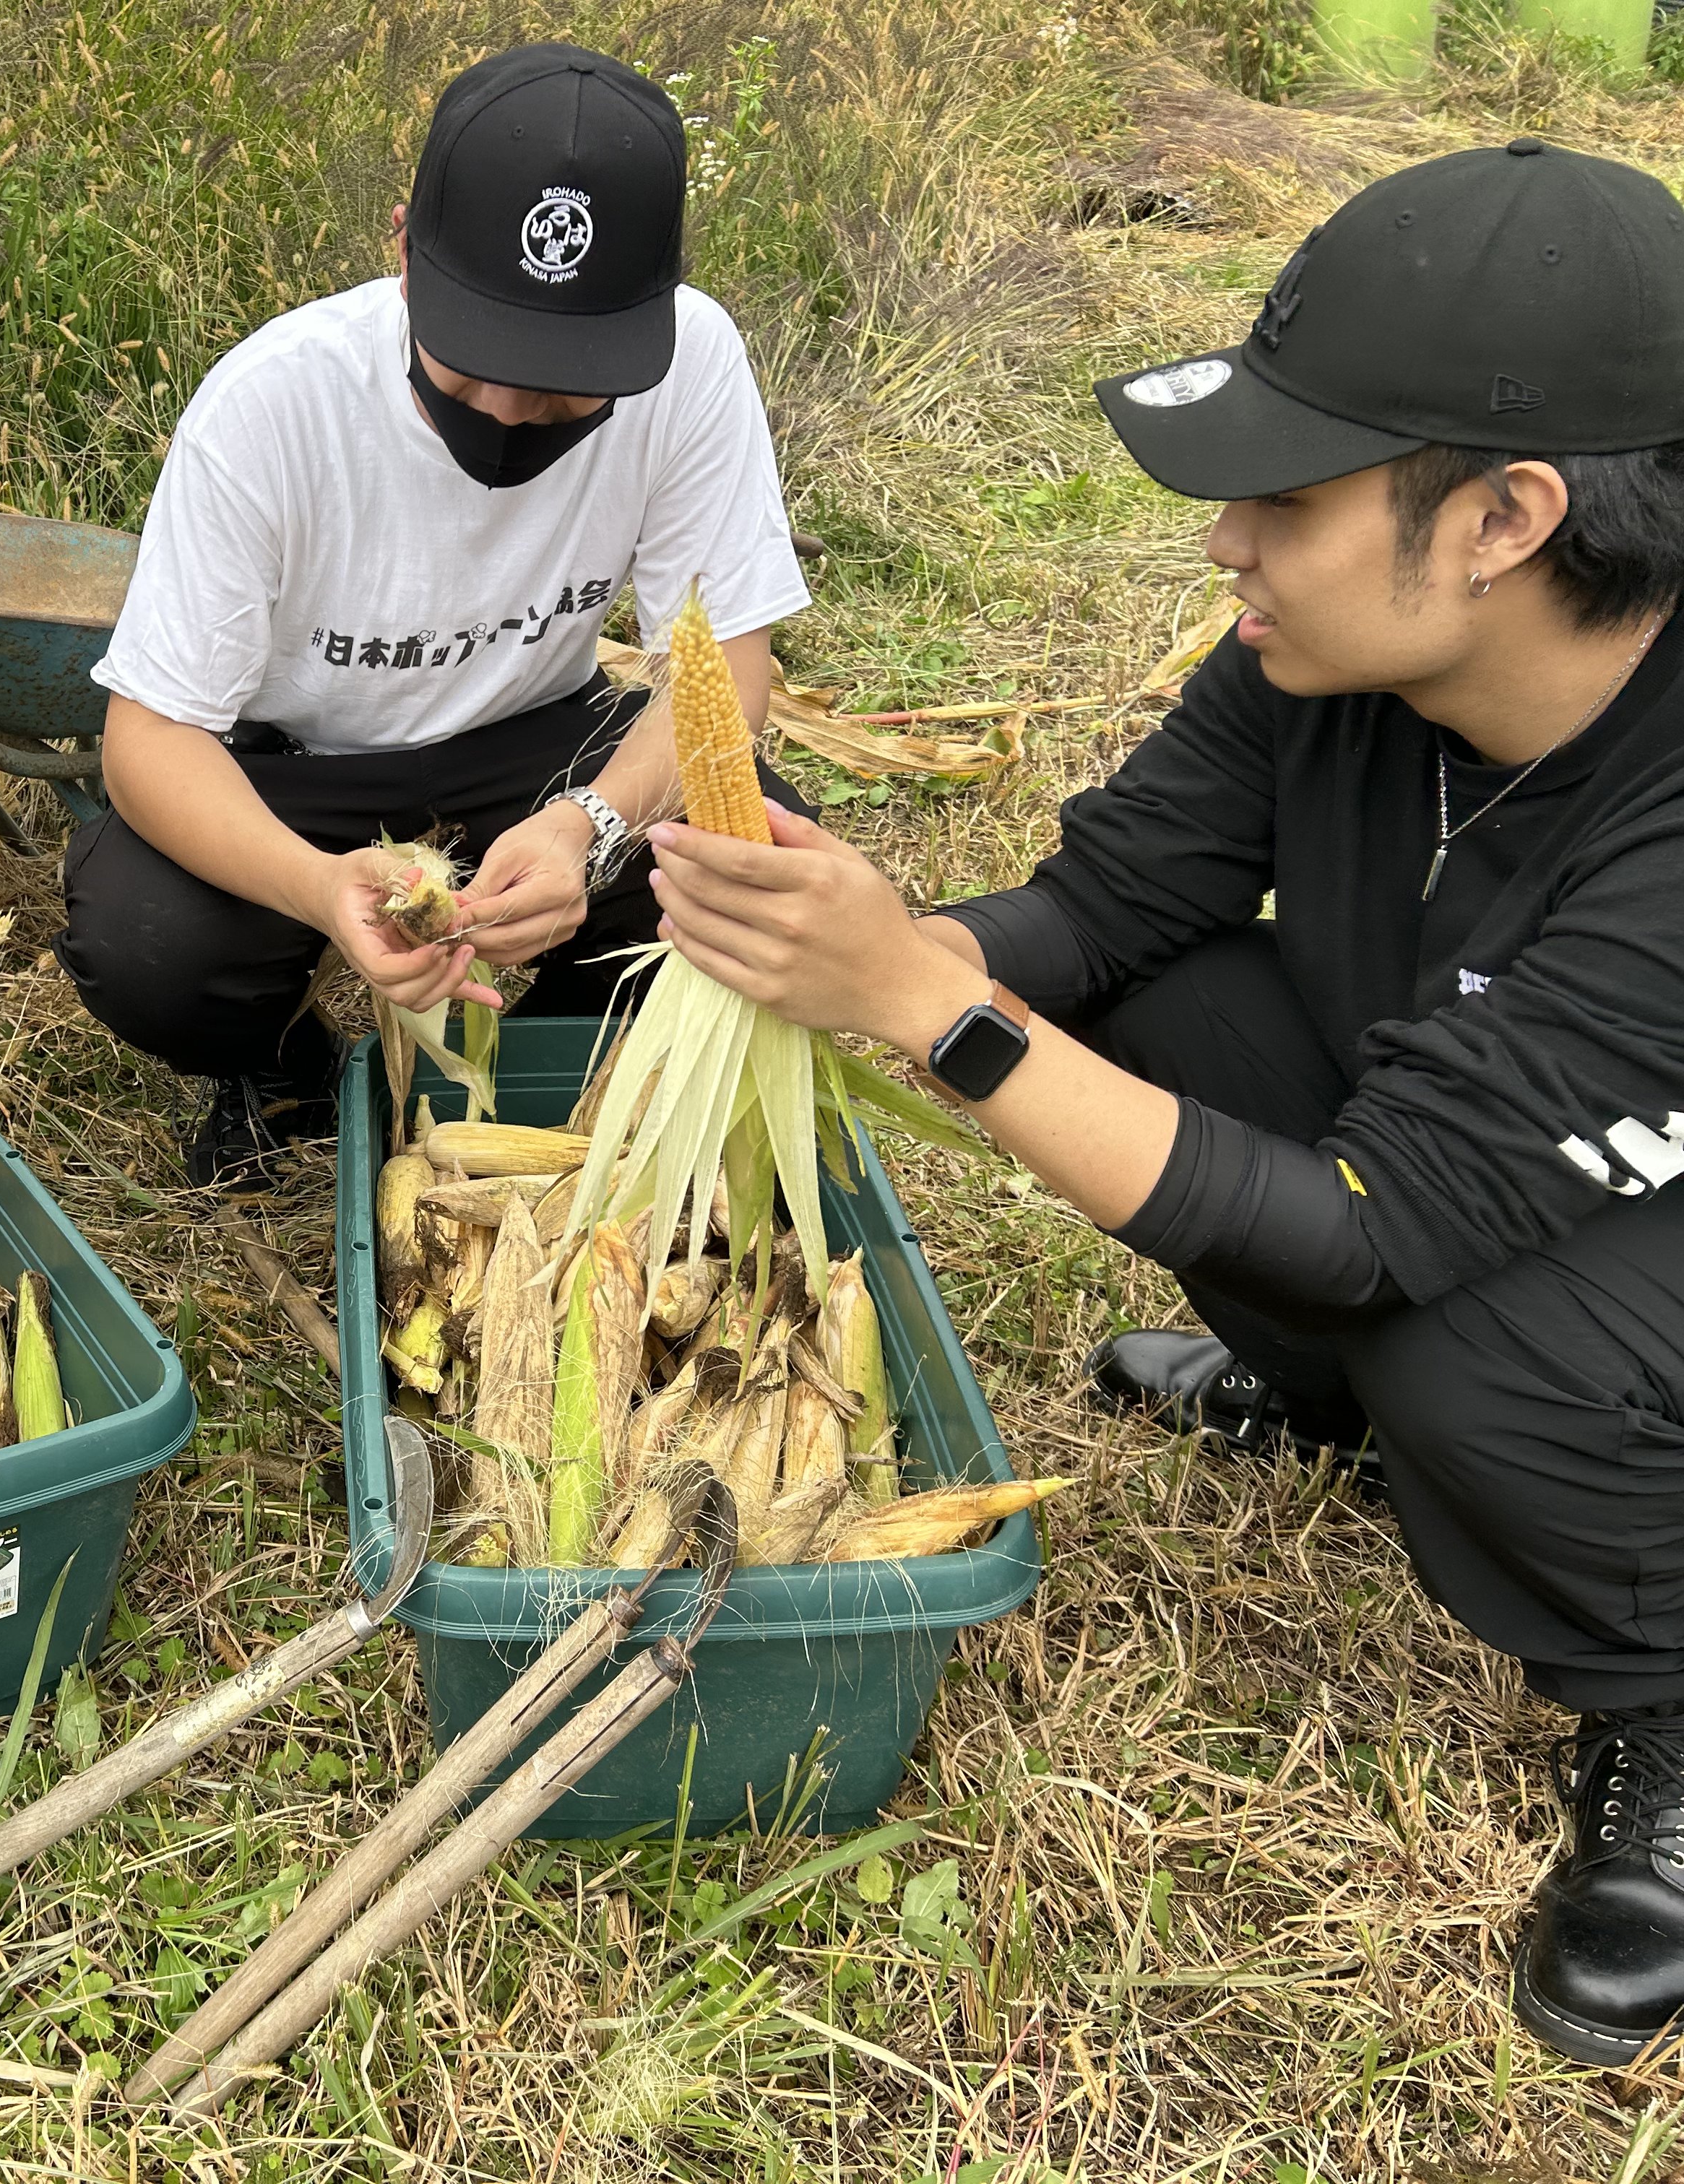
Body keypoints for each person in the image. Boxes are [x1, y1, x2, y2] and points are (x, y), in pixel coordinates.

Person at [642, 139, 1684, 2066]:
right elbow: (1103, 910)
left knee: (1452, 1341)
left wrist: (919, 1010)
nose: (1230, 544)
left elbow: (1377, 1224)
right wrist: (849, 942)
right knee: (1178, 1004)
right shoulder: (1328, 656)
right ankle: (1331, 1404)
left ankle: (1664, 1706)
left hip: (1627, 1255)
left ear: (1506, 517)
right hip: (1465, 1150)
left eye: (1285, 498)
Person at [58, 42, 813, 1182]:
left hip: (537, 736)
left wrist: (586, 831)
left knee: (748, 876)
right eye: (475, 359)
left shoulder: (693, 364)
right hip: (304, 759)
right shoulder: (276, 404)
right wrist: (318, 886)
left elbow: (727, 679)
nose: (513, 410)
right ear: (404, 249)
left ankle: (563, 1039)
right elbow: (151, 739)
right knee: (146, 945)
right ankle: (281, 1065)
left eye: (568, 379)